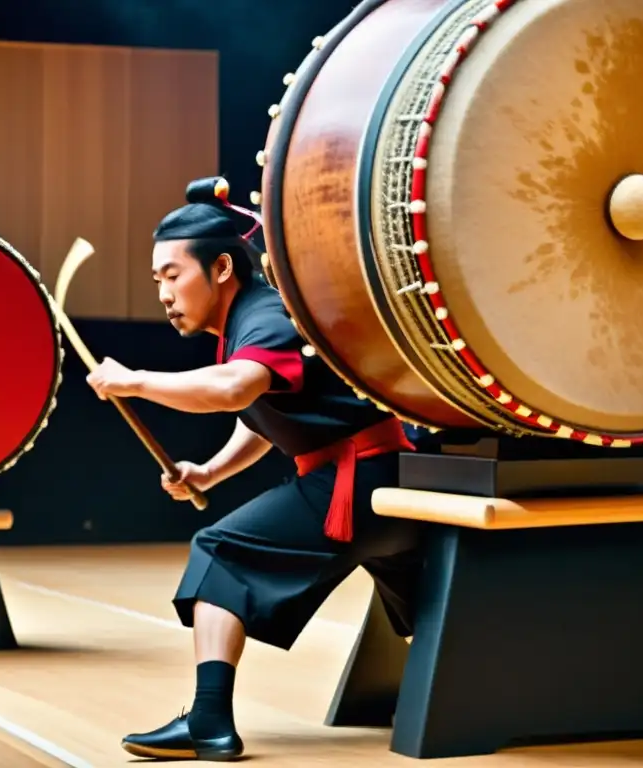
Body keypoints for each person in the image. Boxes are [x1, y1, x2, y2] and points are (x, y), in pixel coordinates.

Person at [85, 176, 424, 761]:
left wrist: (135, 382)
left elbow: (237, 387)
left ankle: (209, 722)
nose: (164, 293)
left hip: (361, 480)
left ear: (220, 268)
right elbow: (259, 416)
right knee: (424, 603)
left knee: (220, 552)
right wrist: (209, 472)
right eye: (157, 280)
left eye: (173, 275)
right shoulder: (248, 321)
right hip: (381, 482)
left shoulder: (264, 312)